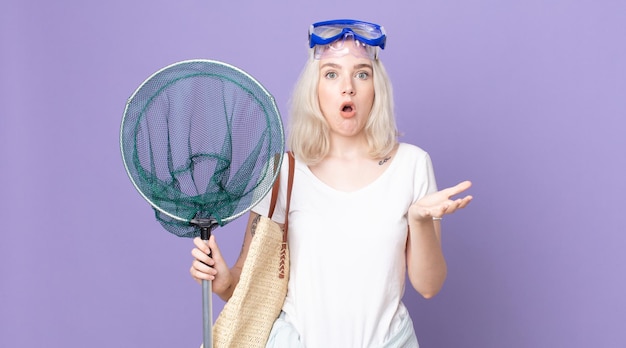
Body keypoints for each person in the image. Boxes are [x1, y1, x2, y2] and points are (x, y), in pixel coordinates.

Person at [190, 19, 473, 347]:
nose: (348, 87)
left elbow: (429, 286)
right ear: (316, 89)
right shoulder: (283, 172)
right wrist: (221, 279)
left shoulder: (412, 165)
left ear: (375, 88)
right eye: (332, 73)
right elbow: (242, 286)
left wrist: (419, 221)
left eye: (362, 73)